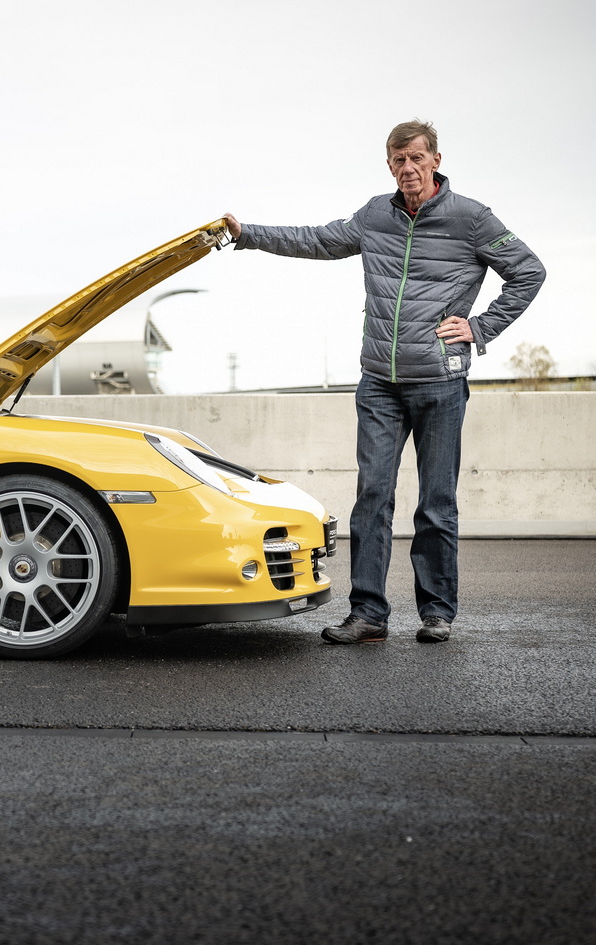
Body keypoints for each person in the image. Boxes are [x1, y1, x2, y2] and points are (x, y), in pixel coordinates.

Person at [222, 121, 545, 644]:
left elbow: (529, 271)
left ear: (436, 160)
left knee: (436, 502)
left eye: (417, 158)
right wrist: (249, 234)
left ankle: (437, 612)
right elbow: (320, 240)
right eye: (399, 160)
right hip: (379, 383)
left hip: (439, 381)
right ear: (389, 165)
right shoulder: (376, 214)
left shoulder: (472, 218)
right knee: (372, 497)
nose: (408, 168)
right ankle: (368, 614)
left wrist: (480, 327)